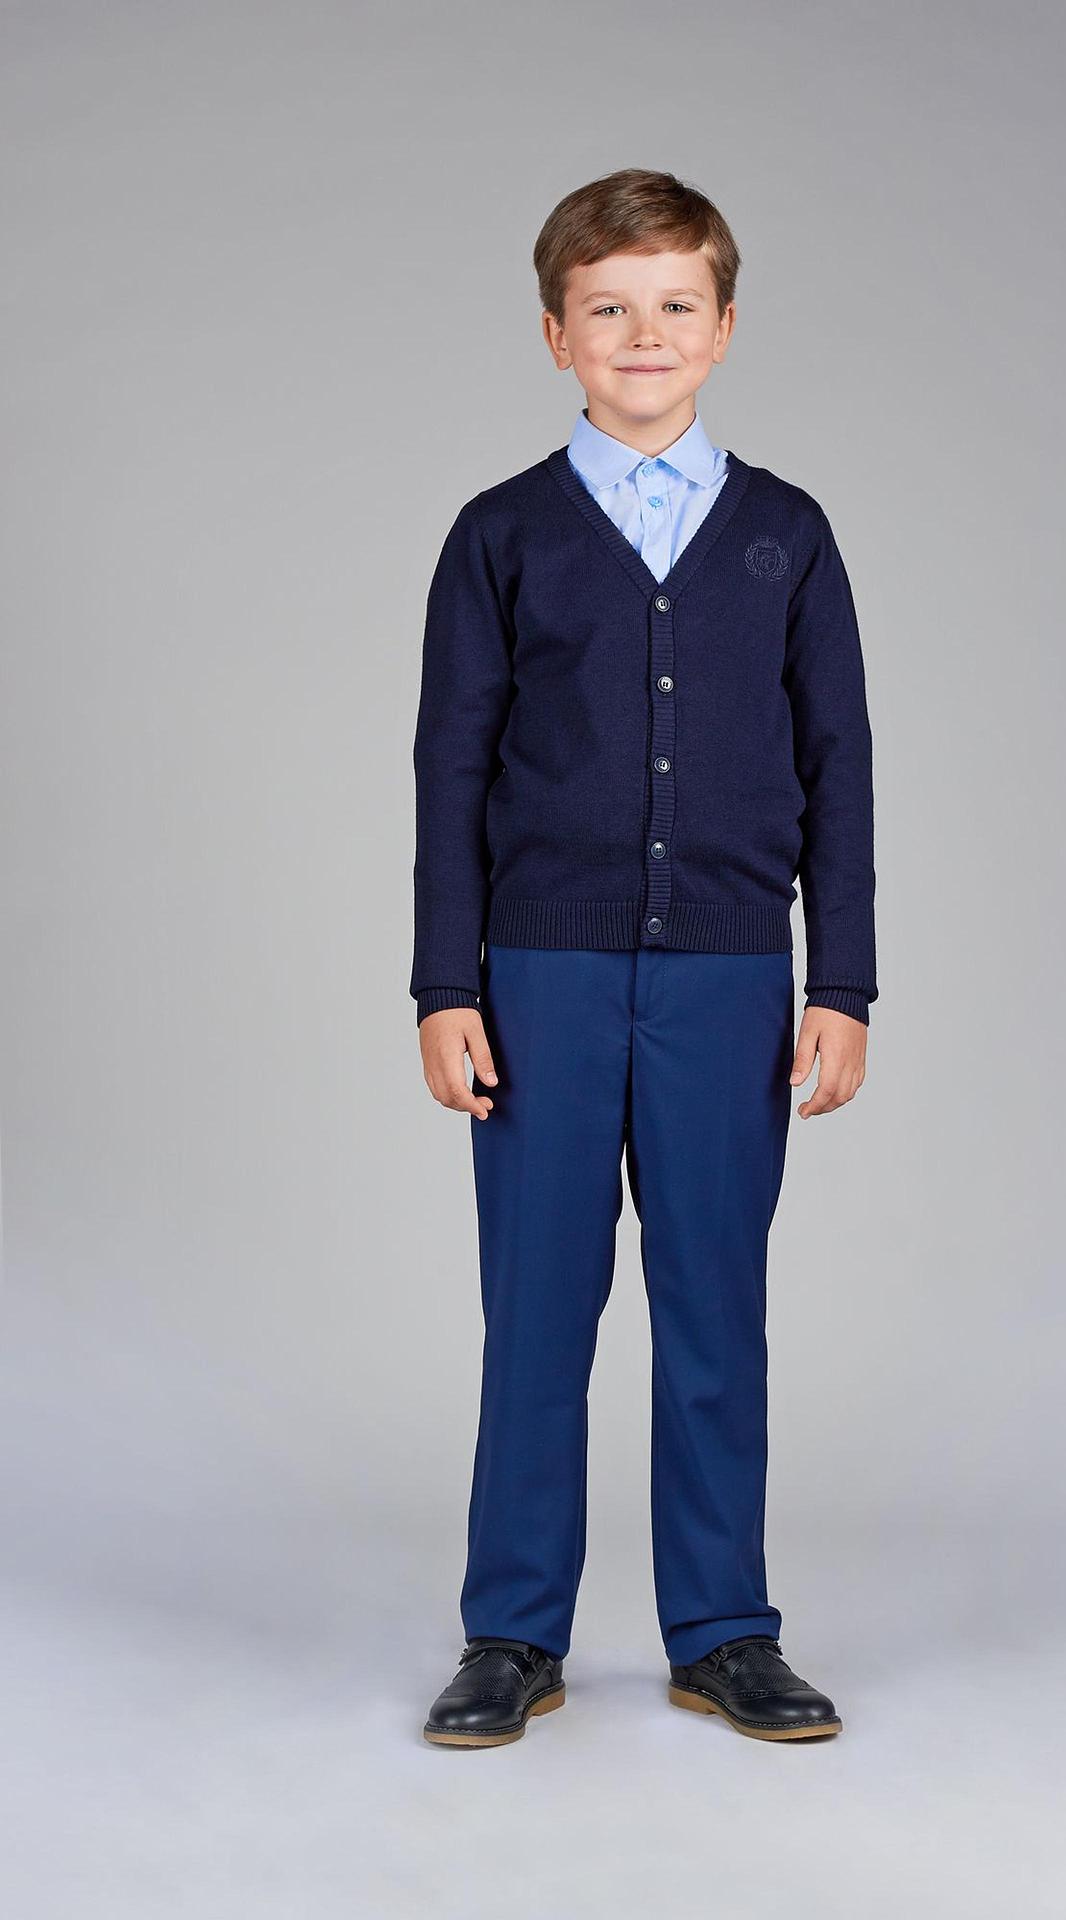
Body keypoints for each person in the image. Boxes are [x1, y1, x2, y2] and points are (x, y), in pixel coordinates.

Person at [412, 167, 877, 1747]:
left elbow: (841, 766)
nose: (643, 333)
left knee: (713, 1309)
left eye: (675, 305)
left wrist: (841, 982)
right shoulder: (501, 536)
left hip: (729, 980)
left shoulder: (787, 537)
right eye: (606, 308)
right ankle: (510, 1630)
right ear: (557, 333)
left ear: (724, 327)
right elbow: (450, 770)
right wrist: (445, 985)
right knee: (536, 1314)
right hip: (537, 980)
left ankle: (725, 1629)